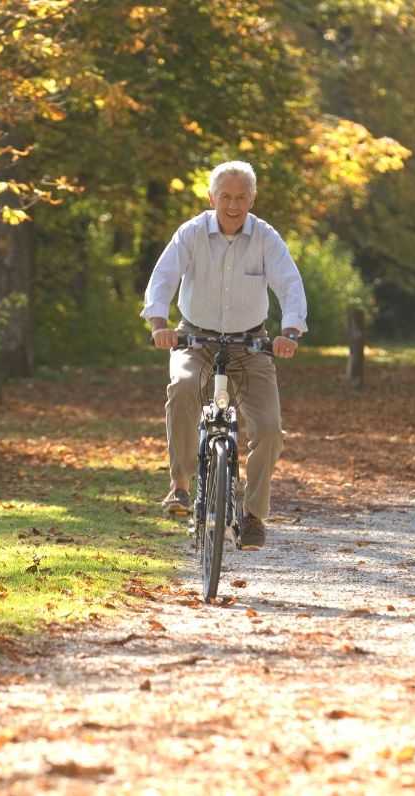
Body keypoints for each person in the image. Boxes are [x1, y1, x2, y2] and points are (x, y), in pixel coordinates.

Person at [142, 161, 307, 550]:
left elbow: (289, 284)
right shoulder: (192, 233)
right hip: (195, 340)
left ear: (252, 199)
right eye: (226, 196)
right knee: (182, 388)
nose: (233, 205)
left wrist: (290, 332)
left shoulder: (265, 237)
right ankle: (180, 487)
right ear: (212, 197)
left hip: (252, 345)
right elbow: (163, 278)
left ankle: (253, 517)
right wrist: (158, 324)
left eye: (241, 197)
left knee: (268, 428)